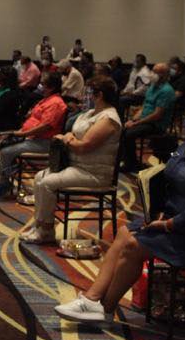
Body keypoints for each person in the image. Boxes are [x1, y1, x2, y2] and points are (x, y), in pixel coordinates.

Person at [55, 93, 185, 324]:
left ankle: (105, 308)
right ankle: (91, 299)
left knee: (134, 246)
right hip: (180, 222)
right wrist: (159, 211)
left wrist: (169, 224)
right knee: (124, 233)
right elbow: (169, 176)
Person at [22, 76, 122, 244]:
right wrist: (69, 137)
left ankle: (46, 230)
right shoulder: (90, 113)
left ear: (99, 95)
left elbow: (84, 146)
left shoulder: (109, 119)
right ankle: (40, 225)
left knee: (47, 183)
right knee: (39, 177)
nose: (84, 96)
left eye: (88, 93)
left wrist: (68, 139)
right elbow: (72, 134)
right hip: (76, 165)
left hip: (94, 173)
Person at [0, 72, 68, 199]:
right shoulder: (46, 99)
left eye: (43, 84)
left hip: (43, 142)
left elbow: (45, 127)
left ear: (51, 87)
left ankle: (4, 183)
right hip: (31, 138)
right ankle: (12, 170)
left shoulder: (55, 103)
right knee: (4, 143)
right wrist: (19, 132)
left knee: (6, 152)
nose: (40, 86)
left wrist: (22, 133)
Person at [120, 63, 176, 171]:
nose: (152, 74)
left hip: (157, 124)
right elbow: (144, 106)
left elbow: (157, 115)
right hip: (145, 121)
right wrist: (132, 120)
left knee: (129, 134)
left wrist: (137, 123)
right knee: (124, 129)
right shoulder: (152, 86)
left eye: (156, 72)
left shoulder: (166, 91)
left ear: (164, 75)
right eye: (152, 71)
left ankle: (132, 164)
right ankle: (128, 160)